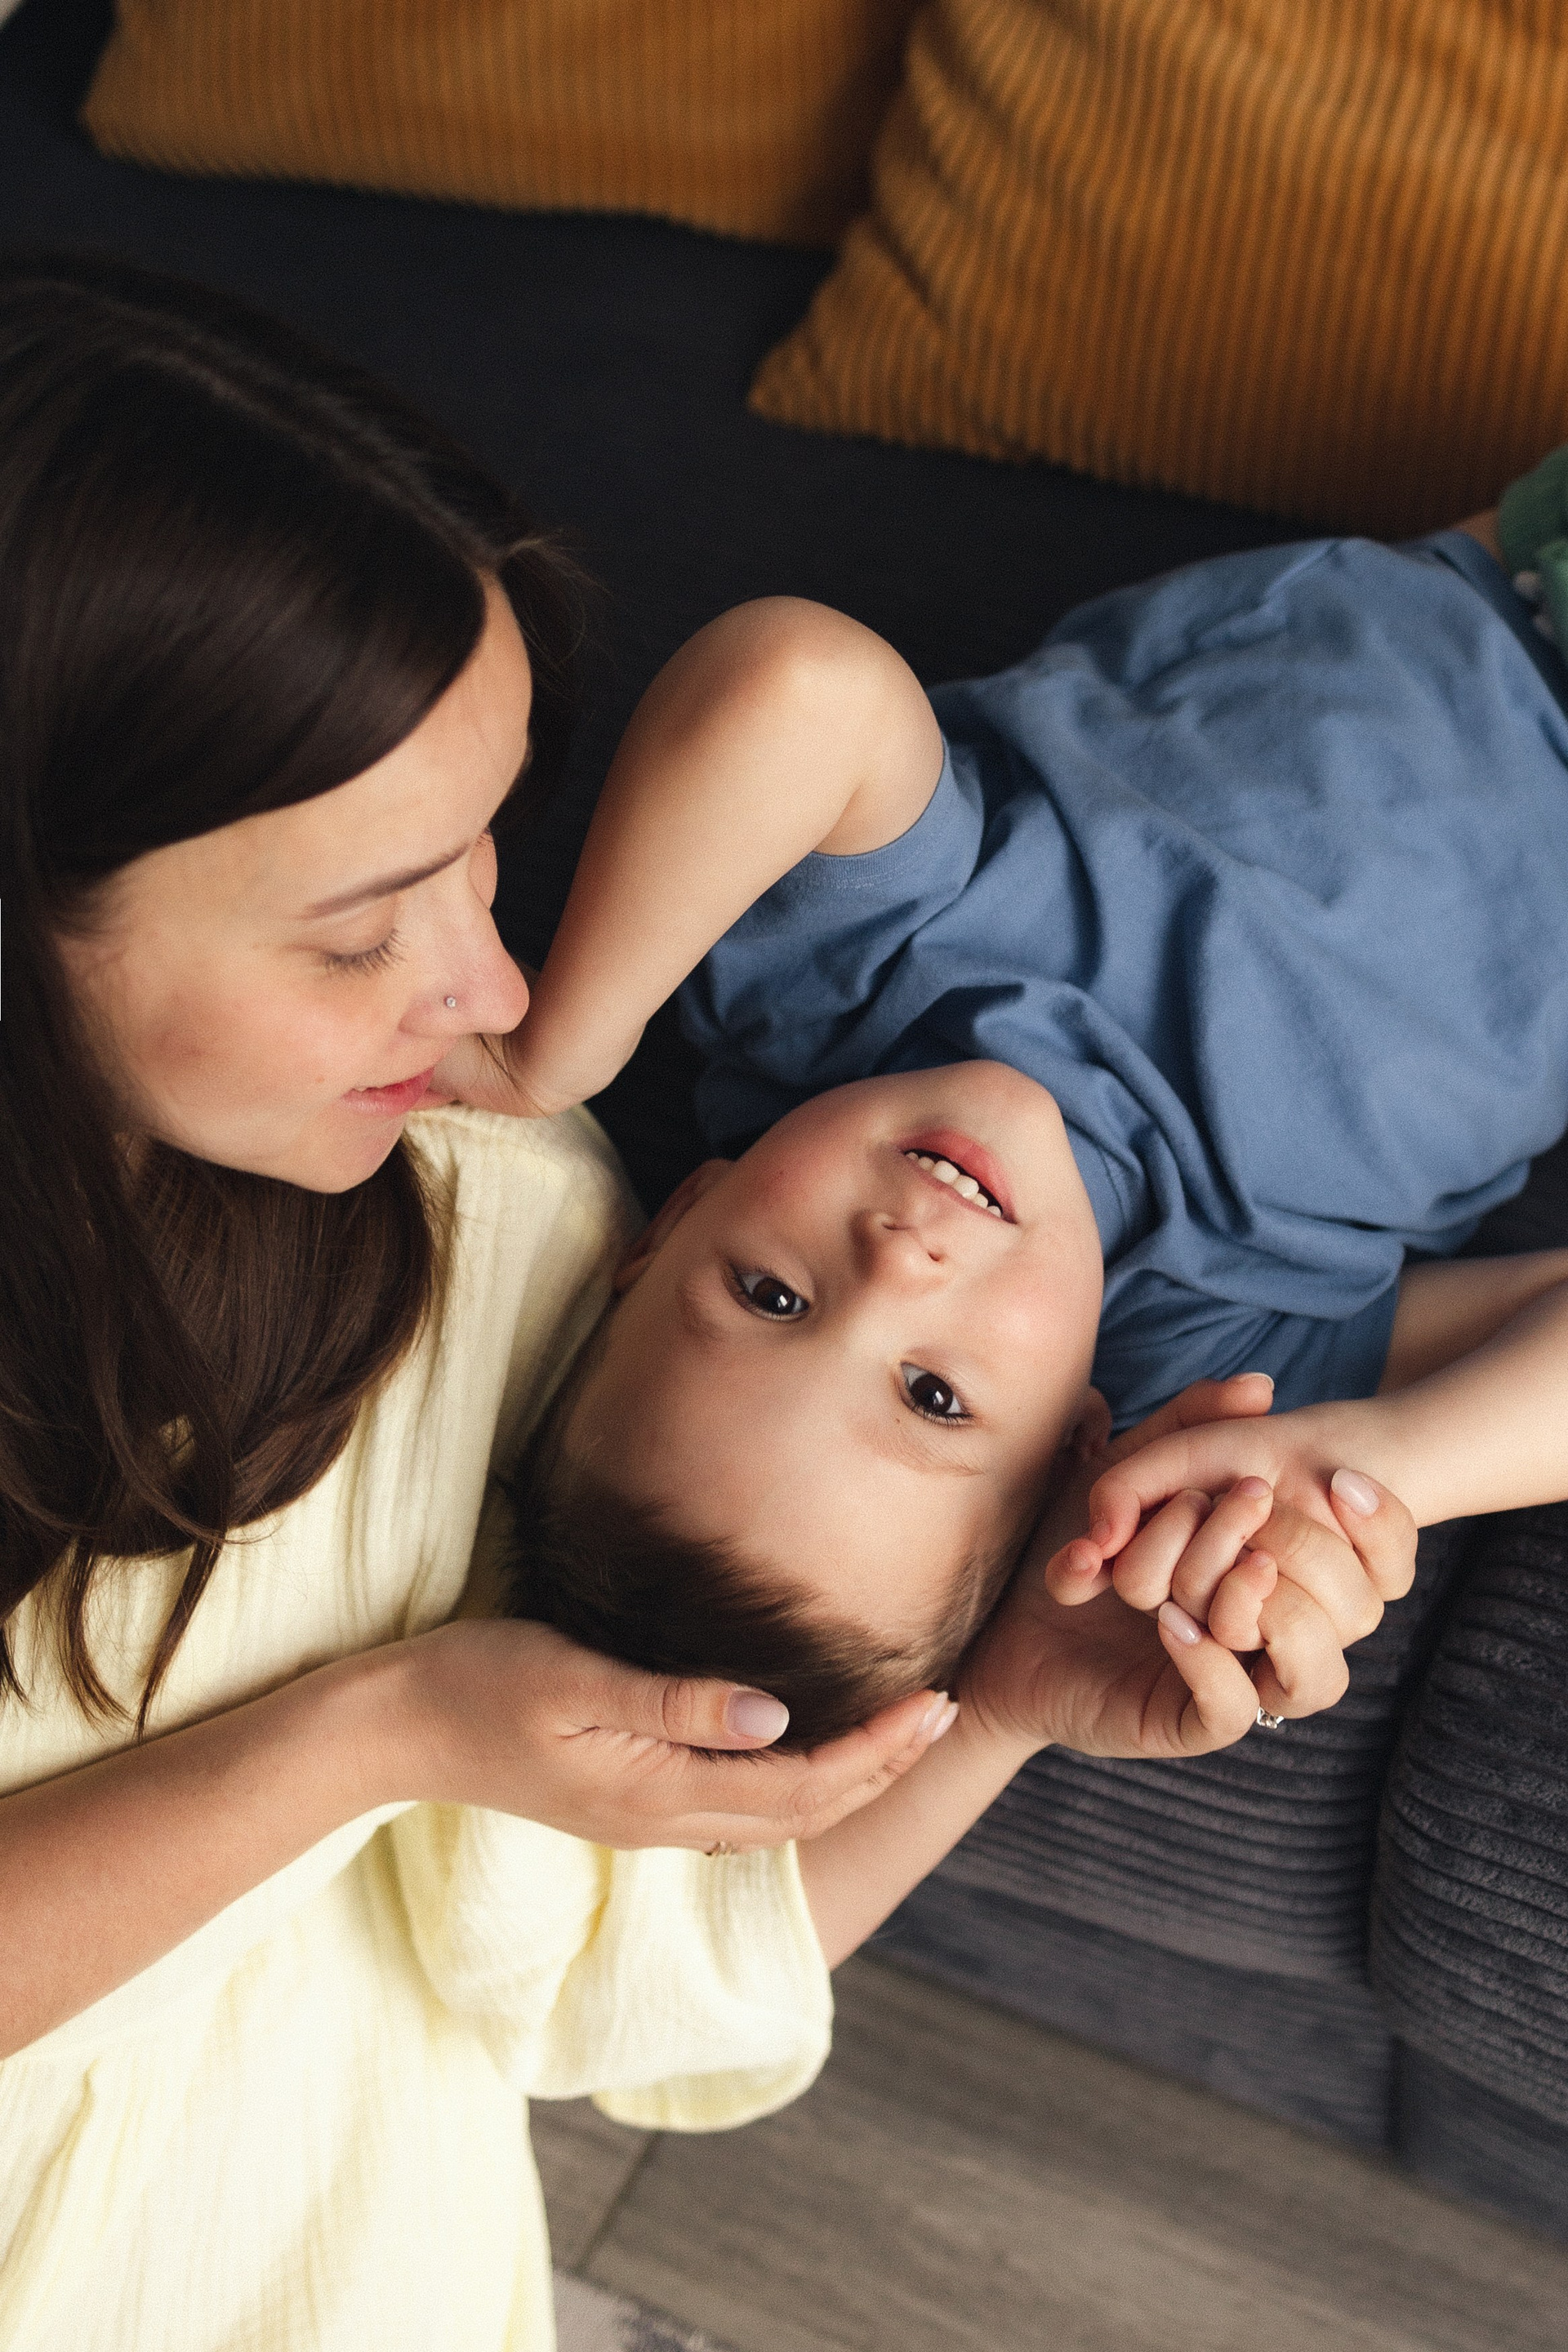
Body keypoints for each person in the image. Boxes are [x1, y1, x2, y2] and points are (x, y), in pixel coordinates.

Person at [1, 251, 1366, 2352]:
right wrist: (372, 1733)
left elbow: (597, 1980)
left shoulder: (496, 1219)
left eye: (486, 845)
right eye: (362, 937)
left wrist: (998, 1702)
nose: (501, 990)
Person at [439, 482, 1568, 1744]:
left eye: (771, 1296)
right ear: (1082, 1445)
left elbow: (800, 681)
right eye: (933, 1396)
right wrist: (1381, 1465)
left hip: (1517, 596)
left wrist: (563, 1045)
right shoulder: (1213, 1349)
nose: (896, 1265)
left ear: (684, 1212)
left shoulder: (834, 991)